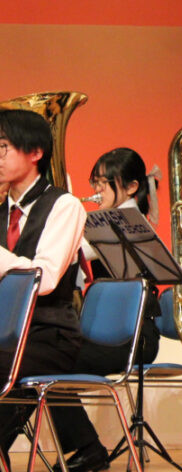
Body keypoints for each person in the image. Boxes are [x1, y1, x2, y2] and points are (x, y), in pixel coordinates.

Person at [51, 147, 162, 472]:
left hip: (136, 338)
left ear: (131, 187)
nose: (97, 190)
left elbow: (72, 251)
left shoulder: (123, 224)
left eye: (104, 183)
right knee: (46, 357)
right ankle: (87, 448)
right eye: (95, 183)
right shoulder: (105, 220)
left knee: (50, 360)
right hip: (109, 338)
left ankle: (88, 449)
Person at [0, 110, 87, 469]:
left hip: (49, 336)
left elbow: (45, 278)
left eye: (3, 147)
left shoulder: (65, 206)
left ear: (35, 152)